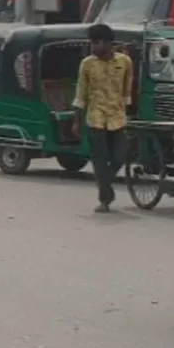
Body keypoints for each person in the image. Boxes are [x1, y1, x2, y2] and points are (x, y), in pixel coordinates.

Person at [72, 22, 133, 214]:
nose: (94, 47)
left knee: (121, 155)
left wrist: (129, 111)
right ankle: (105, 199)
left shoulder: (124, 62)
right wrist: (76, 121)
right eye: (92, 43)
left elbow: (127, 90)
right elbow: (81, 93)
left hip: (117, 118)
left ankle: (105, 181)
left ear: (108, 43)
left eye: (97, 42)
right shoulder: (87, 64)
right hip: (95, 119)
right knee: (100, 160)